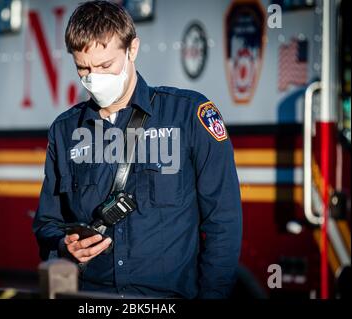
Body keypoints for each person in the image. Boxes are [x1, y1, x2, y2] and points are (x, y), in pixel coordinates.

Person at [33, 0, 242, 299]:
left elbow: (224, 222)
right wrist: (65, 245)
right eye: (83, 68)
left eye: (106, 65)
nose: (94, 78)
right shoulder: (65, 130)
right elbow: (47, 223)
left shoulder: (189, 115)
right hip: (92, 299)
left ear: (132, 49)